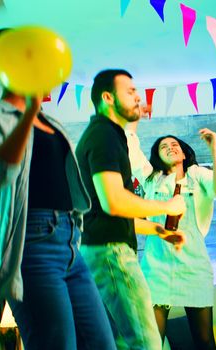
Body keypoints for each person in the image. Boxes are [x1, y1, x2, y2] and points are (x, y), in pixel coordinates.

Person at [0, 31, 115, 349]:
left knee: (102, 344)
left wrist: (33, 112)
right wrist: (28, 112)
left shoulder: (49, 121)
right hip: (33, 246)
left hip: (70, 243)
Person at [75, 69, 186, 350]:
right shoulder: (103, 135)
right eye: (130, 92)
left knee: (118, 343)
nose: (138, 97)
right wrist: (167, 205)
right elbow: (114, 202)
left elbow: (108, 211)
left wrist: (158, 230)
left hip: (102, 249)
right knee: (146, 343)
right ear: (107, 97)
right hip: (111, 252)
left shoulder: (107, 134)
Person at [126, 119, 216, 349]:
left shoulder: (197, 174)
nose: (170, 147)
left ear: (183, 153)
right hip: (157, 266)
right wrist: (132, 126)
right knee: (151, 341)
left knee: (204, 340)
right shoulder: (152, 179)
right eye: (164, 147)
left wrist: (214, 148)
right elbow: (132, 154)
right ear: (158, 157)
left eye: (174, 145)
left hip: (195, 266)